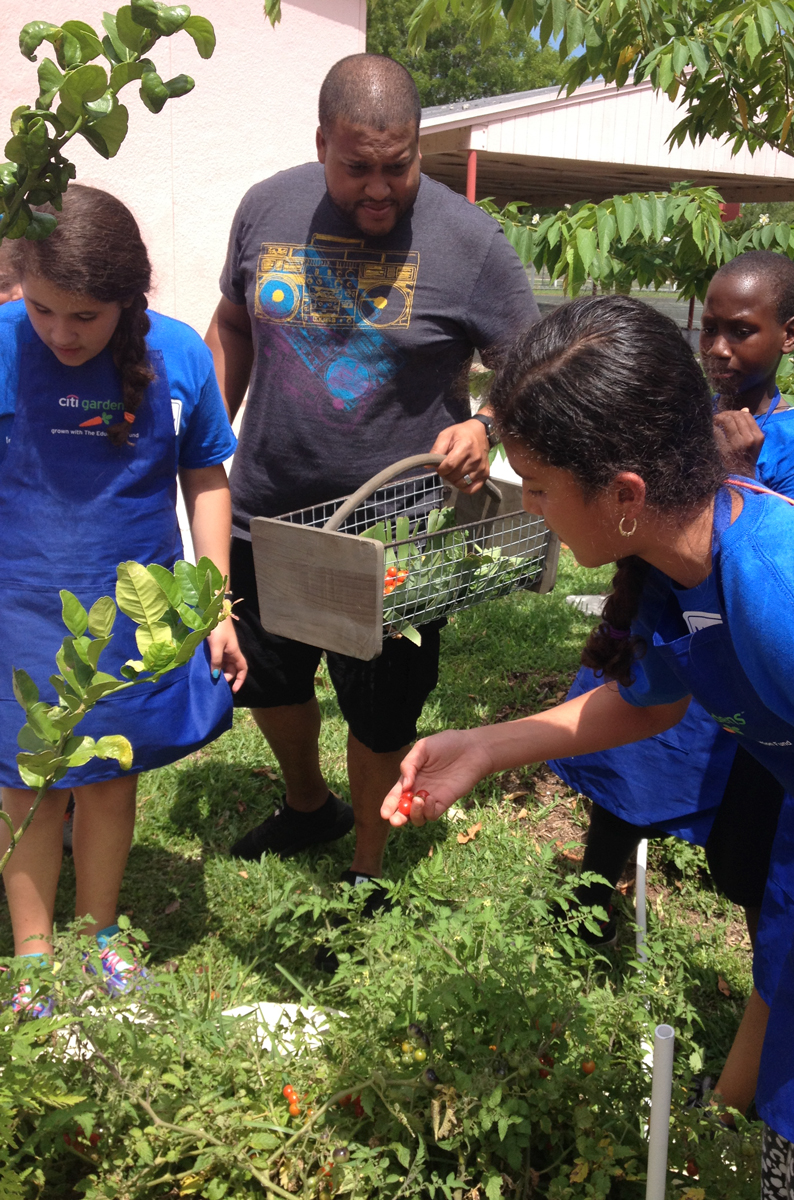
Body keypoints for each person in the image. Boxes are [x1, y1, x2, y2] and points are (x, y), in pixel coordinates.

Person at [382, 296, 794, 1197]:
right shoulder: (693, 553)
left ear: (624, 495)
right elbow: (648, 704)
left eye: (538, 487)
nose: (530, 505)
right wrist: (484, 746)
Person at [207, 54, 539, 894]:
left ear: (419, 147)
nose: (381, 188)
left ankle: (367, 861)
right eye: (358, 167)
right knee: (268, 678)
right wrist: (203, 440)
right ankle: (308, 802)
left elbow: (535, 365)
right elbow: (233, 322)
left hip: (397, 528)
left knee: (382, 706)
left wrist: (487, 423)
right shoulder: (265, 208)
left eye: (400, 165)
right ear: (322, 143)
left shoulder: (470, 243)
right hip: (265, 513)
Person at [548, 252, 794, 1118]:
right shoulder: (684, 418)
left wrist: (731, 476)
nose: (717, 346)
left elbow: (766, 569)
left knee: (747, 858)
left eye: (740, 330)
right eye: (706, 326)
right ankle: (586, 929)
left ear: (788, 336)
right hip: (657, 646)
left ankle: (768, 1012)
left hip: (729, 679)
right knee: (618, 782)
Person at [0, 186, 246, 1009]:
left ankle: (98, 932)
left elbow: (206, 477)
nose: (60, 334)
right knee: (27, 782)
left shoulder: (179, 356)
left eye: (84, 317)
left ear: (128, 301)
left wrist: (213, 604)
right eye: (42, 311)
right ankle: (34, 957)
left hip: (130, 611)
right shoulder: (1, 344)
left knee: (109, 773)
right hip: (20, 607)